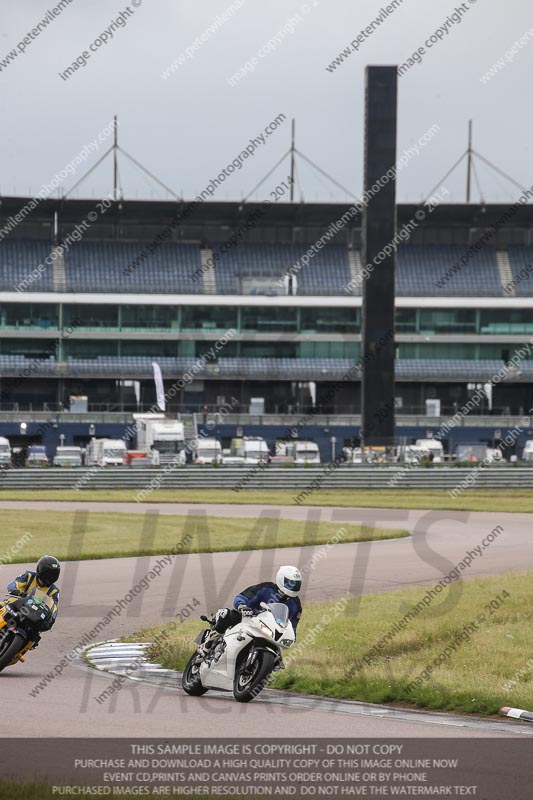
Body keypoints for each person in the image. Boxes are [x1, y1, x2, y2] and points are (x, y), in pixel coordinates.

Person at [201, 565, 303, 654]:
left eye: (296, 584)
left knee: (277, 653)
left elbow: (292, 625)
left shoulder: (295, 604)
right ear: (281, 579)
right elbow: (242, 597)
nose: (293, 587)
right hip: (248, 618)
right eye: (290, 583)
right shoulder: (265, 588)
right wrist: (242, 606)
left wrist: (291, 637)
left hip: (269, 629)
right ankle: (207, 644)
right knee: (227, 614)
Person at [1, 556, 61, 642]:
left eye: (53, 575)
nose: (49, 577)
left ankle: (25, 645)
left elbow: (54, 607)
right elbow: (14, 584)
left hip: (35, 613)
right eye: (48, 574)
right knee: (4, 604)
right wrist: (15, 590)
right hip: (18, 603)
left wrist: (53, 617)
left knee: (35, 636)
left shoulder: (54, 591)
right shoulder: (28, 576)